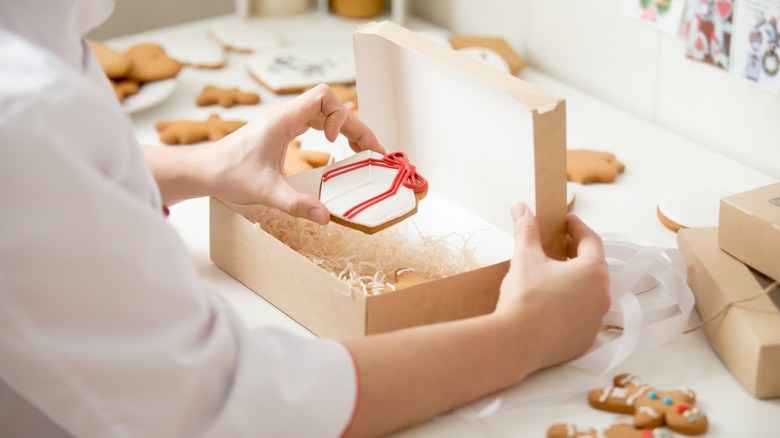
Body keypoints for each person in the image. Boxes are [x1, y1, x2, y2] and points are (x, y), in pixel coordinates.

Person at [0, 1, 610, 437]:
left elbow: (52, 177)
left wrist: (201, 166)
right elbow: (231, 406)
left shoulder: (40, 49)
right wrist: (524, 336)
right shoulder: (27, 108)